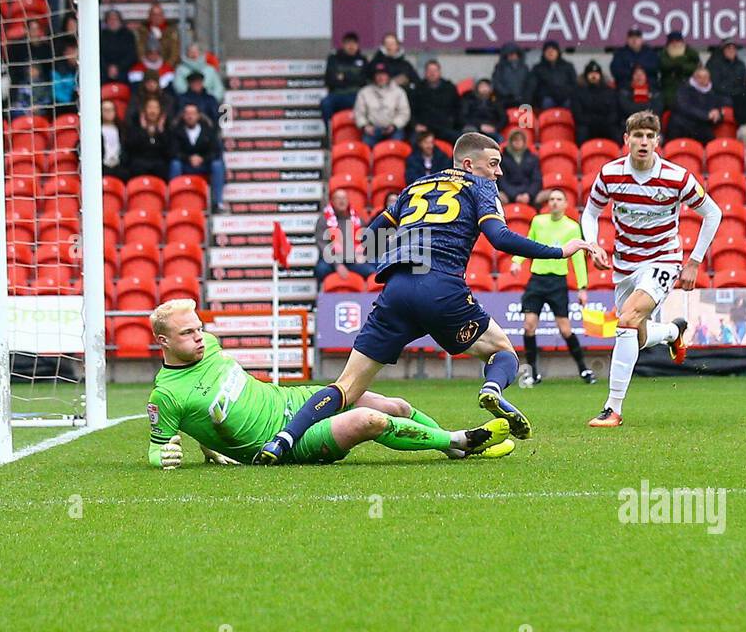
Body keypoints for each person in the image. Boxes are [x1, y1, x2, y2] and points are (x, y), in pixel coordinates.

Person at [256, 132, 599, 464]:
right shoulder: (480, 187)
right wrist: (560, 252)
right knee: (501, 352)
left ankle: (281, 441)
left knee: (346, 387)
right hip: (441, 288)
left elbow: (370, 236)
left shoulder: (415, 185)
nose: (499, 172)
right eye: (493, 164)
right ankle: (492, 390)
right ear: (469, 163)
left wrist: (399, 256)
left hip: (397, 290)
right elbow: (500, 238)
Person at [147, 300, 514, 468]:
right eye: (187, 333)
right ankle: (461, 439)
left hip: (294, 400)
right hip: (279, 444)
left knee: (395, 405)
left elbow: (209, 407)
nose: (199, 336)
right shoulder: (166, 394)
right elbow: (158, 445)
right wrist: (163, 456)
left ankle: (455, 452)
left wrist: (208, 448)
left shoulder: (209, 345)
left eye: (199, 327)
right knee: (367, 421)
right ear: (163, 342)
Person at [581, 110, 721, 428]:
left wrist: (694, 262)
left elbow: (713, 213)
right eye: (637, 136)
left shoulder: (677, 177)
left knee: (626, 320)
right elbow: (589, 214)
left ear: (657, 142)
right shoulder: (610, 174)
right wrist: (593, 243)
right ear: (626, 140)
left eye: (649, 136)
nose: (643, 142)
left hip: (663, 259)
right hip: (625, 264)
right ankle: (673, 332)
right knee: (637, 335)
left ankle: (612, 409)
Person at [511, 190, 596, 386]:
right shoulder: (538, 222)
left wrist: (582, 287)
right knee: (529, 325)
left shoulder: (572, 227)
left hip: (557, 282)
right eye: (551, 199)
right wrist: (517, 261)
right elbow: (528, 244)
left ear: (566, 204)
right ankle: (532, 373)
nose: (555, 203)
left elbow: (577, 258)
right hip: (537, 279)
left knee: (565, 329)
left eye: (559, 199)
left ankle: (583, 370)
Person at [168, 103, 225, 209]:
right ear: (183, 116)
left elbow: (215, 151)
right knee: (174, 164)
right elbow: (173, 152)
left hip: (204, 164)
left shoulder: (208, 131)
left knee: (218, 164)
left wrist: (202, 159)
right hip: (185, 164)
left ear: (198, 115)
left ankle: (218, 202)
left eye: (193, 113)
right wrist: (188, 158)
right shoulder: (176, 132)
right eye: (187, 113)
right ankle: (174, 201)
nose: (190, 116)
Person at [315, 188, 375, 282]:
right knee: (321, 270)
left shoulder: (357, 220)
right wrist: (337, 265)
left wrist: (362, 254)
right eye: (338, 198)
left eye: (344, 198)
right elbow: (323, 246)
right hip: (331, 260)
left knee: (371, 270)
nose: (342, 201)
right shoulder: (324, 220)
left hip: (352, 260)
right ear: (332, 201)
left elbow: (366, 241)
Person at [354, 62, 411, 147]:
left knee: (395, 147)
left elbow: (404, 113)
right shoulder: (364, 92)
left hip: (393, 129)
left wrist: (394, 125)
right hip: (372, 130)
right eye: (378, 75)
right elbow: (358, 113)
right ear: (374, 76)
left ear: (388, 76)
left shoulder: (399, 92)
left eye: (384, 74)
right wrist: (365, 126)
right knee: (366, 146)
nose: (381, 77)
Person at [670, 66, 730, 143]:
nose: (702, 80)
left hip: (702, 129)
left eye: (705, 77)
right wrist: (707, 115)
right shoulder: (684, 89)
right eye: (699, 77)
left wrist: (717, 115)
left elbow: (718, 111)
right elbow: (686, 108)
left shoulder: (713, 93)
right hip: (683, 128)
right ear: (694, 78)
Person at [322, 31, 369, 123]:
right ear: (343, 45)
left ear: (357, 45)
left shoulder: (363, 59)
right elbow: (330, 80)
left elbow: (363, 80)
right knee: (325, 103)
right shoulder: (333, 59)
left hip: (357, 95)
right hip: (337, 94)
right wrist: (354, 77)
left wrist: (345, 76)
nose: (351, 46)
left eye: (354, 43)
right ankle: (330, 132)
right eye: (348, 43)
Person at [572, 60, 621, 145]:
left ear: (600, 75)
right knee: (582, 131)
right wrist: (594, 121)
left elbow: (614, 112)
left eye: (596, 73)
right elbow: (578, 115)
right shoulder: (578, 92)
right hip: (588, 125)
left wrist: (604, 121)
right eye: (591, 73)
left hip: (605, 124)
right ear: (586, 75)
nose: (593, 76)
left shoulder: (609, 91)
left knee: (615, 131)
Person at [408, 60, 461, 138]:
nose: (432, 73)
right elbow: (411, 111)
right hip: (424, 128)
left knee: (460, 141)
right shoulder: (417, 89)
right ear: (425, 73)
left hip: (445, 127)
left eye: (435, 70)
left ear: (440, 72)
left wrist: (453, 123)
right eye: (429, 71)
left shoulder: (449, 88)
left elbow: (458, 109)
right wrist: (415, 125)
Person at [124, 95, 170, 178]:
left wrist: (161, 131)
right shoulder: (135, 127)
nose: (152, 111)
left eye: (156, 108)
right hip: (139, 164)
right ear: (144, 110)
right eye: (150, 107)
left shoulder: (166, 128)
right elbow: (131, 148)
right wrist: (143, 130)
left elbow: (169, 151)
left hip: (159, 164)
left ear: (160, 111)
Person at [526, 40, 579, 109]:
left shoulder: (568, 66)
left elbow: (574, 85)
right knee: (547, 102)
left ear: (558, 52)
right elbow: (532, 87)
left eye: (553, 50)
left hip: (565, 98)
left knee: (570, 103)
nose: (550, 52)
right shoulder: (538, 68)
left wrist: (563, 93)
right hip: (547, 99)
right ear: (544, 53)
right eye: (548, 50)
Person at [657, 31, 701, 109]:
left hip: (688, 85)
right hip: (669, 87)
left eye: (677, 41)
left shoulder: (691, 52)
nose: (675, 44)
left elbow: (695, 67)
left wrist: (679, 66)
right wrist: (682, 60)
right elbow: (664, 65)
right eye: (672, 42)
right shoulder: (663, 53)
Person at [499, 127, 542, 205]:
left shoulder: (533, 158)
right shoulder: (502, 159)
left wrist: (529, 195)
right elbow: (502, 181)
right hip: (508, 195)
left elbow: (537, 180)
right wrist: (515, 195)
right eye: (515, 140)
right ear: (510, 141)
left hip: (529, 194)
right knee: (499, 197)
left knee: (547, 195)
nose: (517, 142)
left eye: (520, 140)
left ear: (524, 141)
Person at [99, 9, 137, 83]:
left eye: (115, 19)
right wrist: (108, 68)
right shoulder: (100, 36)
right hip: (104, 71)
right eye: (110, 19)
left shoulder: (128, 35)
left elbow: (132, 55)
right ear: (106, 22)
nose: (113, 22)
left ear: (120, 21)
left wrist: (118, 67)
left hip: (124, 70)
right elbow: (99, 55)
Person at [491, 42, 529, 107]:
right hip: (504, 100)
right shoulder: (499, 68)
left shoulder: (525, 68)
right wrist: (508, 95)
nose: (512, 56)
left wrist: (524, 95)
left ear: (518, 55)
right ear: (505, 56)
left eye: (514, 54)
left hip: (523, 100)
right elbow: (496, 83)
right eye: (509, 54)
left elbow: (529, 84)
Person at [100, 98, 125, 178]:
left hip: (119, 166)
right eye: (105, 110)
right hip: (102, 167)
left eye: (110, 110)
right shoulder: (95, 131)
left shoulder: (121, 129)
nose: (108, 113)